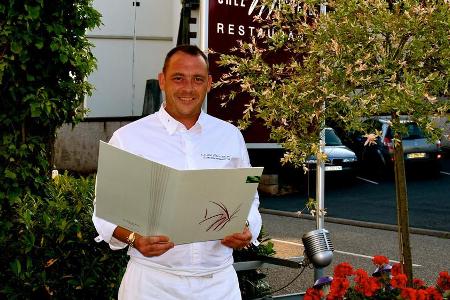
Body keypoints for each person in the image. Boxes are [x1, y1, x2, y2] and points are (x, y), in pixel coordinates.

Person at [92, 44, 262, 300]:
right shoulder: (129, 138)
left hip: (218, 284)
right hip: (151, 283)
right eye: (178, 78)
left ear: (209, 84)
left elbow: (250, 198)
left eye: (197, 79)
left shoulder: (230, 136)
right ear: (162, 81)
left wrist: (248, 228)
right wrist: (134, 238)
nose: (188, 88)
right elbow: (103, 212)